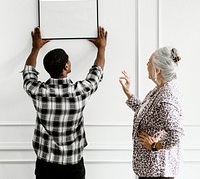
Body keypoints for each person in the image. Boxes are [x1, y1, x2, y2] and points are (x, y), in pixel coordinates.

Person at [22, 26, 107, 179]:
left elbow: (28, 72)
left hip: (45, 163)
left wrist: (35, 48)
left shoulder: (37, 91)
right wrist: (101, 48)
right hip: (73, 163)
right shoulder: (80, 91)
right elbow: (97, 71)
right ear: (66, 67)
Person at [119, 46, 184, 179]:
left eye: (149, 62)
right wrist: (129, 94)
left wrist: (155, 146)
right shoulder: (159, 89)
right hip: (150, 168)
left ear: (157, 70)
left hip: (158, 170)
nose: (146, 64)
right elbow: (147, 113)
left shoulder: (166, 98)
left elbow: (176, 134)